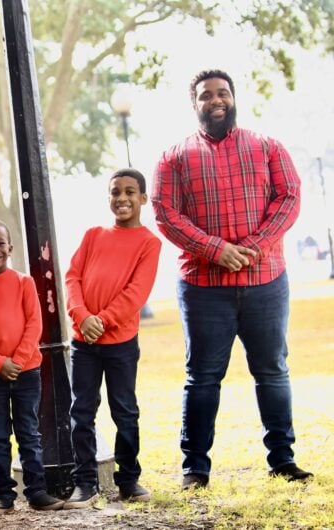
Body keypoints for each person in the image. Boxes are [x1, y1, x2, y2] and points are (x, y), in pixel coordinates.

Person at [152, 69, 312, 490]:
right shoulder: (173, 157)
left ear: (234, 97)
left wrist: (254, 246)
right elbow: (166, 214)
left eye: (223, 93)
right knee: (202, 376)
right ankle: (195, 468)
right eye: (206, 95)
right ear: (195, 104)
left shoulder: (267, 147)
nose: (216, 100)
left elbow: (290, 196)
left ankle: (283, 460)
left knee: (272, 371)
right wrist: (215, 249)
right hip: (204, 287)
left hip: (266, 280)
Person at [63, 168, 161, 508]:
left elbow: (136, 293)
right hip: (83, 343)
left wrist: (101, 321)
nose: (122, 198)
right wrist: (82, 316)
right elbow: (72, 277)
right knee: (82, 411)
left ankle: (129, 479)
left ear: (143, 198)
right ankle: (85, 483)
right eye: (115, 192)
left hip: (119, 343)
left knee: (125, 411)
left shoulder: (149, 243)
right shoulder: (92, 235)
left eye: (130, 192)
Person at [0, 219, 65, 516]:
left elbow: (35, 323)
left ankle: (36, 492)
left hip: (27, 372)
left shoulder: (23, 282)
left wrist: (18, 362)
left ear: (9, 248)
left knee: (29, 433)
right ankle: (3, 497)